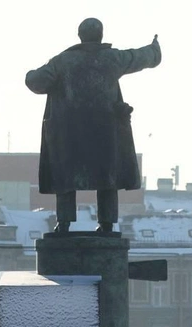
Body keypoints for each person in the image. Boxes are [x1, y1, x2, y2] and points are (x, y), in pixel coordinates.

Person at [25, 18, 162, 233]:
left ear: (80, 36)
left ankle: (64, 224)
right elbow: (139, 57)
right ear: (101, 35)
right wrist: (155, 49)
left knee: (66, 178)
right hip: (104, 132)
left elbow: (36, 82)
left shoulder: (62, 62)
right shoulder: (112, 58)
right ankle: (106, 224)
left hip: (70, 134)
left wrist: (30, 75)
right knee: (107, 177)